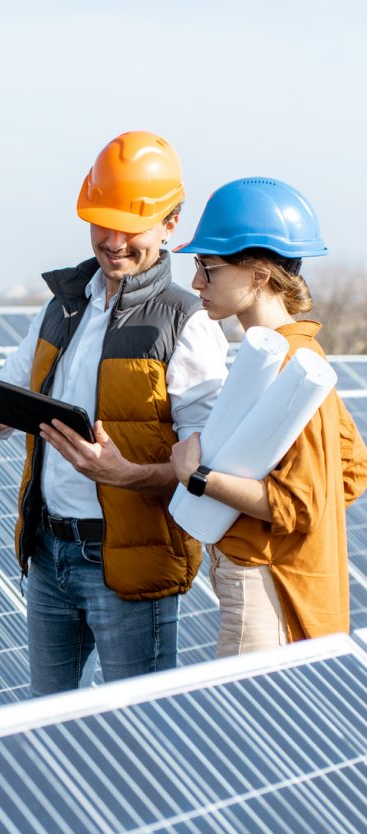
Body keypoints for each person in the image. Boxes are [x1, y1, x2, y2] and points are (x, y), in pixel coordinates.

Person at [0, 130, 228, 692]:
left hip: (129, 564)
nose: (113, 240)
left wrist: (125, 474)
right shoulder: (63, 306)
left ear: (170, 225)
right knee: (46, 725)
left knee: (139, 737)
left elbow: (209, 467)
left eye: (130, 226)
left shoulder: (188, 322)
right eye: (101, 222)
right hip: (48, 553)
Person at [170, 177, 367, 656]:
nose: (196, 281)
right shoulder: (296, 357)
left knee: (242, 731)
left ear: (258, 274)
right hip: (271, 585)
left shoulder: (290, 368)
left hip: (266, 596)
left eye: (207, 268)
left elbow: (300, 506)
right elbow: (351, 470)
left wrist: (196, 477)